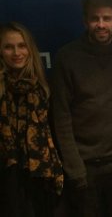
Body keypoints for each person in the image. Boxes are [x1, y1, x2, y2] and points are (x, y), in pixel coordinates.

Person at [52, 0, 112, 217]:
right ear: (85, 21)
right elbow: (60, 116)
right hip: (85, 167)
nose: (101, 25)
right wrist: (74, 168)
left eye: (107, 18)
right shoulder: (67, 57)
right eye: (95, 19)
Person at [0, 22, 63, 217]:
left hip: (41, 177)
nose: (16, 52)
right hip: (7, 179)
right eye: (9, 47)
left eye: (22, 45)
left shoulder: (44, 88)